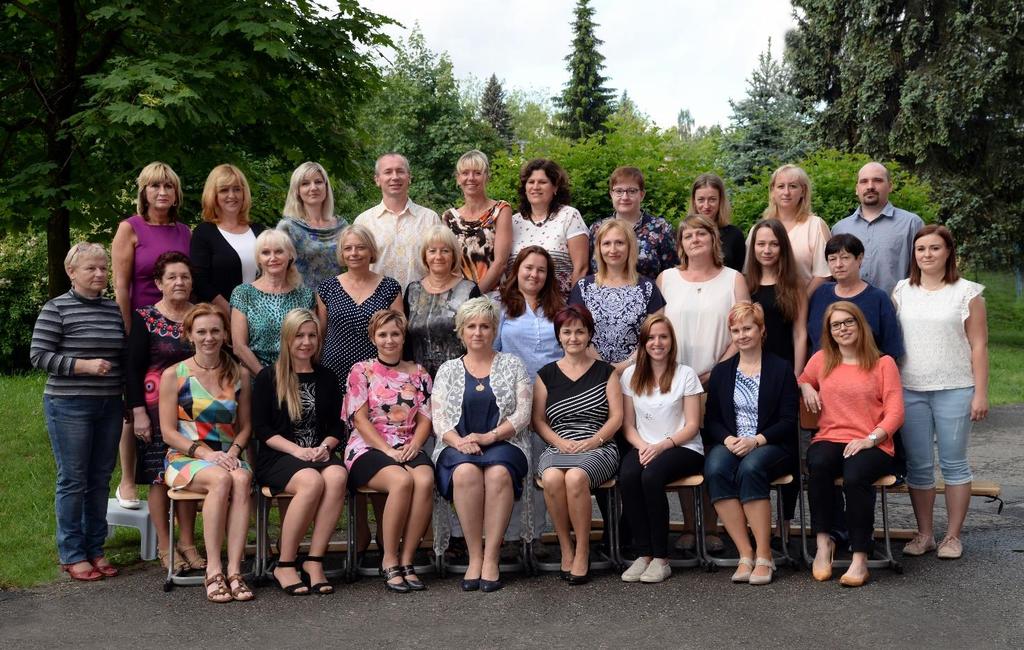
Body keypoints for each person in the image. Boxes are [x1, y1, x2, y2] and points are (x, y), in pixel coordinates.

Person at [31, 243, 126, 581]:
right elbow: (39, 355)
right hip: (69, 405)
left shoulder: (113, 310)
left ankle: (95, 548)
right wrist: (82, 366)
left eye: (103, 268)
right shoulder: (56, 309)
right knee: (73, 479)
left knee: (100, 479)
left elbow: (121, 359)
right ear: (72, 272)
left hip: (109, 405)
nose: (100, 274)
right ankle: (72, 553)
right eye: (91, 269)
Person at [893, 225, 988, 560]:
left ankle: (952, 536)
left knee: (954, 464)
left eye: (934, 248)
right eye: (921, 249)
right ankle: (925, 534)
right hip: (911, 388)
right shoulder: (902, 290)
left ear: (948, 252)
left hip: (956, 388)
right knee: (919, 467)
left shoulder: (967, 293)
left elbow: (979, 345)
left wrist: (980, 393)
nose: (927, 255)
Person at [658, 214, 750, 552]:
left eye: (701, 233)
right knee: (683, 449)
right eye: (688, 235)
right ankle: (688, 525)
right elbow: (657, 331)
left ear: (714, 239)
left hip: (720, 378)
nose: (695, 239)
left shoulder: (733, 280)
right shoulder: (666, 279)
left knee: (713, 450)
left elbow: (744, 331)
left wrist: (715, 371)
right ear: (680, 244)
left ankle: (711, 527)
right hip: (674, 382)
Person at [799, 301, 904, 588]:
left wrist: (870, 439)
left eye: (848, 322)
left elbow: (896, 411)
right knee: (818, 464)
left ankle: (860, 557)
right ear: (829, 331)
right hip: (831, 437)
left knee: (856, 475)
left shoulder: (883, 363)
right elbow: (802, 378)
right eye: (836, 325)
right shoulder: (821, 360)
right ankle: (823, 544)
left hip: (872, 443)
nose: (842, 328)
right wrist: (806, 385)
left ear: (860, 325)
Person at [431, 297, 532, 592]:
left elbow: (523, 414)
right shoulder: (447, 370)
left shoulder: (513, 365)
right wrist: (460, 442)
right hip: (457, 444)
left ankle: (491, 557)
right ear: (461, 332)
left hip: (505, 442)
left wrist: (488, 437)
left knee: (499, 473)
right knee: (465, 473)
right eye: (471, 326)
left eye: (485, 326)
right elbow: (439, 420)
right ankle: (475, 556)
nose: (478, 333)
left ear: (494, 330)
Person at [158, 303, 254, 603]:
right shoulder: (174, 374)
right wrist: (205, 454)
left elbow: (246, 425)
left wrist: (234, 451)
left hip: (230, 454)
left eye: (215, 330)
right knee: (221, 480)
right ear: (189, 334)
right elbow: (168, 432)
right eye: (201, 331)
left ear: (225, 334)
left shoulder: (239, 374)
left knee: (239, 480)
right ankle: (214, 570)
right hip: (185, 457)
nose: (209, 337)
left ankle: (235, 571)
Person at [111, 162, 191, 509]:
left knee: (178, 399)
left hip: (178, 324)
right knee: (136, 402)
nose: (162, 192)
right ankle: (128, 480)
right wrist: (127, 330)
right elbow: (120, 284)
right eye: (155, 186)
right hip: (142, 323)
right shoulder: (130, 229)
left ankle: (179, 467)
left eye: (168, 186)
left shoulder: (185, 231)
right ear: (144, 191)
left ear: (176, 193)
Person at [253, 309, 347, 595]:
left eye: (312, 336)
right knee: (311, 481)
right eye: (299, 336)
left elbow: (337, 426)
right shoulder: (268, 377)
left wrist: (324, 447)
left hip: (317, 454)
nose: (306, 342)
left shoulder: (327, 378)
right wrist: (297, 450)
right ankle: (285, 563)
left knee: (338, 476)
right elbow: (263, 429)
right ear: (287, 339)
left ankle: (314, 560)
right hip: (279, 456)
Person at [704, 303, 799, 585]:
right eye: (736, 330)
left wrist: (755, 440)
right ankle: (745, 553)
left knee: (751, 468)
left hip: (771, 444)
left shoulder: (780, 369)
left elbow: (787, 419)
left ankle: (764, 554)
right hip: (733, 443)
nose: (742, 335)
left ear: (761, 330)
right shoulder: (722, 371)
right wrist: (728, 439)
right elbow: (712, 420)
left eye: (747, 328)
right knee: (715, 468)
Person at [343, 310, 435, 593]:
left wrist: (415, 446)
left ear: (403, 336)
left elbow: (426, 419)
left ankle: (407, 559)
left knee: (424, 480)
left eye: (395, 333)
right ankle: (389, 559)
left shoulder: (419, 373)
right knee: (401, 480)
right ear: (374, 338)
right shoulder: (362, 370)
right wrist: (386, 450)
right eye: (383, 334)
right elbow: (359, 419)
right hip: (368, 445)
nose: (389, 340)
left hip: (407, 443)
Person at [124, 252, 203, 573]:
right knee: (159, 479)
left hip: (195, 410)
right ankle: (165, 545)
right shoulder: (145, 317)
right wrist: (138, 413)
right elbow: (132, 369)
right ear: (159, 283)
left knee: (188, 477)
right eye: (171, 277)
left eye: (184, 276)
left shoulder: (200, 317)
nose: (179, 282)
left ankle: (188, 543)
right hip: (155, 412)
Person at [532, 305, 622, 585]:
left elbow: (617, 417)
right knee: (550, 477)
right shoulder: (545, 374)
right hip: (559, 444)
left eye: (580, 331)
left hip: (599, 445)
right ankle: (565, 547)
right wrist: (560, 442)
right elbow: (538, 421)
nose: (573, 337)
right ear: (559, 336)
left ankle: (583, 550)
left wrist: (592, 442)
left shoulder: (606, 372)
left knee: (575, 476)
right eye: (567, 332)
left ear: (589, 335)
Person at [617, 315, 703, 584]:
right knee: (628, 475)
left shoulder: (685, 374)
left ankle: (661, 558)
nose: (657, 343)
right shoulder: (631, 375)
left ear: (671, 341)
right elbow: (628, 426)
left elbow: (692, 425)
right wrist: (644, 446)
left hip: (683, 446)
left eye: (663, 337)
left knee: (651, 477)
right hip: (645, 446)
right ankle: (644, 554)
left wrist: (661, 446)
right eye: (651, 338)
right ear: (642, 343)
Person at [495, 246, 565, 545]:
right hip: (512, 398)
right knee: (512, 468)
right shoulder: (500, 305)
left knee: (541, 466)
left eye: (541, 269)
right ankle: (510, 538)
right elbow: (493, 350)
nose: (534, 274)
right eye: (528, 268)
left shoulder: (559, 307)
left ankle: (535, 536)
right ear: (517, 270)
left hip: (552, 396)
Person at [570, 218, 665, 373]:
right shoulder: (583, 287)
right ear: (599, 248)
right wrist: (602, 367)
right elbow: (575, 332)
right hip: (591, 373)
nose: (613, 249)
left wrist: (625, 366)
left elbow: (655, 336)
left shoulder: (648, 288)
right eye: (606, 243)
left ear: (630, 247)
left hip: (637, 373)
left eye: (619, 243)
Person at [317, 224, 403, 394]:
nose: (354, 253)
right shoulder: (327, 288)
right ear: (342, 253)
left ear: (371, 250)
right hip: (334, 371)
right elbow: (321, 334)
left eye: (361, 247)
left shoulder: (390, 287)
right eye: (348, 248)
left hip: (378, 372)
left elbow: (400, 332)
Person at [831, 162, 925, 295]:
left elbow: (924, 272)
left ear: (890, 186)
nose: (870, 186)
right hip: (850, 310)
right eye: (864, 181)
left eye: (878, 180)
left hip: (896, 311)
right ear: (857, 189)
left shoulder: (911, 224)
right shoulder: (839, 228)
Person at [230, 229, 315, 375]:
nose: (273, 257)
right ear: (258, 259)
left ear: (290, 256)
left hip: (296, 376)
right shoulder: (243, 293)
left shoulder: (305, 295)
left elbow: (312, 342)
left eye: (279, 251)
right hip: (256, 377)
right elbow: (239, 347)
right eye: (266, 253)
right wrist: (265, 378)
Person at [807, 234, 904, 359]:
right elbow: (811, 340)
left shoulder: (878, 298)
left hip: (865, 371)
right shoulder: (820, 294)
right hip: (823, 371)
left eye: (845, 258)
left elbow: (891, 348)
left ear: (860, 258)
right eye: (832, 259)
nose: (838, 264)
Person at [353, 152, 440, 290]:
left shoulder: (430, 219)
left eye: (400, 171)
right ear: (377, 179)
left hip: (420, 303)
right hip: (376, 304)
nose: (395, 177)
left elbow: (441, 264)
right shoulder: (363, 221)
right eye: (388, 172)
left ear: (409, 177)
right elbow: (355, 269)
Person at [403, 225, 481, 377]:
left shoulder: (469, 290)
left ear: (453, 255)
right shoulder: (412, 290)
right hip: (418, 379)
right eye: (432, 251)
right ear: (425, 255)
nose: (438, 256)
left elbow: (477, 336)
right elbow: (404, 339)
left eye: (445, 251)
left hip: (459, 377)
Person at [191, 164, 266, 317]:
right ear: (214, 195)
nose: (232, 195)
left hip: (263, 316)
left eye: (237, 189)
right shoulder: (204, 233)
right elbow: (200, 282)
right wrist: (234, 313)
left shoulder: (260, 231)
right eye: (224, 190)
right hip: (221, 320)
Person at [508, 159, 589, 298]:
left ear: (555, 187)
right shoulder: (512, 222)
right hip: (517, 306)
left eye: (542, 182)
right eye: (531, 182)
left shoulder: (569, 216)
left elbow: (581, 268)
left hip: (559, 305)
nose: (535, 186)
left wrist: (574, 306)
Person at [587, 166, 679, 280]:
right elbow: (589, 273)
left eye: (632, 191)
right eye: (619, 191)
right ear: (611, 194)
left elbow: (672, 273)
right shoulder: (597, 229)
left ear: (642, 194)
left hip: (650, 296)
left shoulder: (661, 228)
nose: (625, 197)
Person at [440, 150, 513, 294]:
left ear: (487, 177)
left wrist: (475, 295)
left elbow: (501, 263)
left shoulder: (501, 210)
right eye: (465, 173)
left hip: (493, 297)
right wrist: (457, 296)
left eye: (477, 173)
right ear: (458, 178)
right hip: (455, 295)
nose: (471, 178)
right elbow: (446, 262)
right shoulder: (448, 218)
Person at [755, 164, 831, 294]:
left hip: (805, 306)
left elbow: (823, 274)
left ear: (803, 191)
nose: (786, 192)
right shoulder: (760, 228)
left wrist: (800, 305)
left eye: (793, 186)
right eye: (780, 186)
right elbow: (750, 271)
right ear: (772, 191)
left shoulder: (815, 226)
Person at [745, 219, 808, 374]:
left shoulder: (795, 284)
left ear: (783, 247)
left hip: (783, 365)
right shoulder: (744, 283)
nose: (767, 250)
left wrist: (797, 376)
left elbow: (800, 333)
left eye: (774, 244)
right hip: (750, 367)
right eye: (761, 244)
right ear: (753, 247)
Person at [278, 161, 348, 292]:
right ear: (297, 190)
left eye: (318, 182)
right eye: (305, 183)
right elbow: (276, 270)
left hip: (338, 301)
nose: (313, 187)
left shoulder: (342, 226)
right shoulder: (288, 227)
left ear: (326, 187)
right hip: (300, 302)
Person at [690, 173, 745, 272]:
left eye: (712, 199)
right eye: (701, 200)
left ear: (720, 200)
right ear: (694, 201)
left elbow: (739, 273)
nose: (706, 206)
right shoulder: (685, 234)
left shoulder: (735, 235)